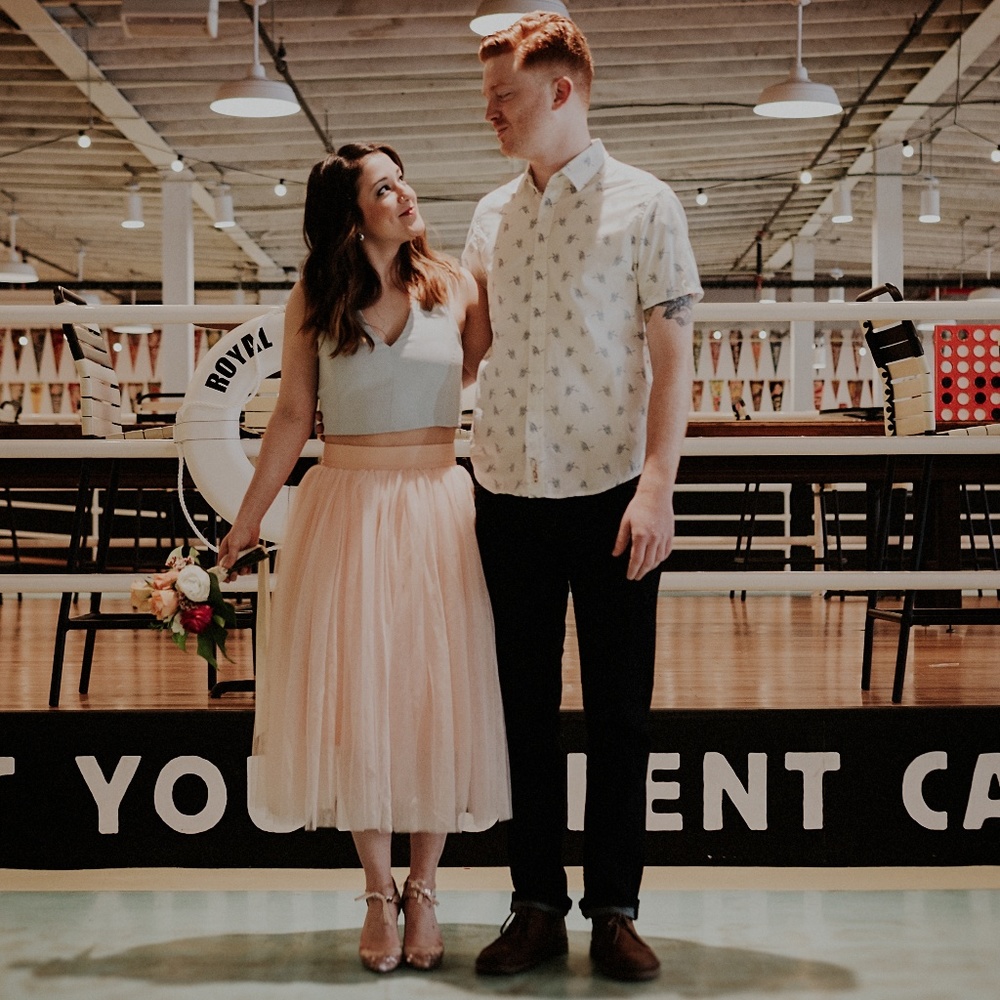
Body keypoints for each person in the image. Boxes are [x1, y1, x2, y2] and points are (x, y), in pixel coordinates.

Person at [217, 142, 510, 975]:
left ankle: (425, 886)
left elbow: (497, 371)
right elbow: (288, 416)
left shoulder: (457, 286)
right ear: (352, 214)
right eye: (385, 188)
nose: (405, 194)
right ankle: (378, 889)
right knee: (362, 698)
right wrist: (246, 522)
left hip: (436, 505)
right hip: (346, 506)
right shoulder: (316, 296)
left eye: (402, 178)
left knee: (432, 693)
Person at [462, 14, 702, 983]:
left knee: (619, 711)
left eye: (504, 98)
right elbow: (468, 349)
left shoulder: (646, 205)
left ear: (561, 92)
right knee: (520, 706)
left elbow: (673, 358)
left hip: (611, 493)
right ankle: (533, 905)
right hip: (506, 490)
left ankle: (613, 908)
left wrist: (657, 487)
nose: (491, 115)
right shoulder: (488, 214)